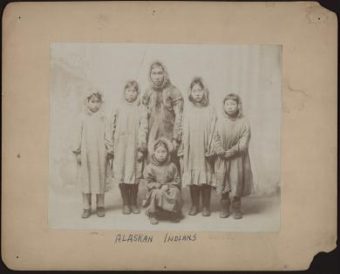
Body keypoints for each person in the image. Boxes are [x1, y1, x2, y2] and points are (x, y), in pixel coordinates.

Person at [178, 77, 217, 217]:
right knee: (193, 177)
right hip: (192, 147)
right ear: (191, 93)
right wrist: (183, 146)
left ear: (204, 92)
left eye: (200, 90)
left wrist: (211, 145)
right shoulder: (187, 110)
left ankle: (206, 206)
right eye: (194, 91)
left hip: (205, 147)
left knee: (205, 177)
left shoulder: (210, 109)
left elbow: (213, 128)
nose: (197, 93)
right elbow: (183, 128)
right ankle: (195, 205)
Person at [108, 80, 148, 215]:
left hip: (134, 147)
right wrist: (111, 146)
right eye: (128, 91)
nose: (131, 94)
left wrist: (141, 147)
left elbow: (144, 128)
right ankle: (125, 202)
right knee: (122, 173)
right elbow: (111, 127)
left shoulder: (141, 109)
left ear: (138, 93)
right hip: (120, 147)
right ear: (124, 92)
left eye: (134, 91)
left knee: (134, 173)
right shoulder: (118, 107)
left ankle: (133, 201)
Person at [213, 93, 254, 219]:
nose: (230, 107)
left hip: (237, 158)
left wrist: (231, 151)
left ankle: (236, 208)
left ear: (238, 106)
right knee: (223, 181)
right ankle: (224, 207)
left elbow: (243, 143)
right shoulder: (220, 121)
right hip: (222, 157)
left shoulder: (244, 122)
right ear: (224, 106)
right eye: (227, 104)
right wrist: (220, 150)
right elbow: (215, 138)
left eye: (232, 104)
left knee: (236, 182)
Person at [72, 90, 111, 218]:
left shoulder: (104, 118)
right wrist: (77, 151)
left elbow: (108, 135)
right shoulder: (82, 117)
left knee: (100, 178)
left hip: (100, 154)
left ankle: (100, 205)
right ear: (87, 102)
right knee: (86, 180)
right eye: (92, 101)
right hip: (86, 154)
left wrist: (109, 150)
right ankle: (86, 207)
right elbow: (77, 135)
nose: (95, 105)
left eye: (97, 102)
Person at [142, 61, 183, 163]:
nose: (157, 77)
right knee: (152, 163)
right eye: (154, 73)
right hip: (152, 134)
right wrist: (143, 138)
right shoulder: (148, 92)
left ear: (164, 74)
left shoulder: (174, 91)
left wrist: (176, 138)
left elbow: (179, 116)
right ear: (150, 75)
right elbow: (143, 117)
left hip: (169, 133)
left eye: (160, 73)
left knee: (170, 163)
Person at [143, 138, 183, 225]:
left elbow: (177, 180)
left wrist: (168, 186)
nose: (161, 155)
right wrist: (159, 186)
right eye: (158, 152)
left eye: (163, 152)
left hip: (169, 187)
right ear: (154, 153)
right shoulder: (150, 167)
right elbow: (148, 182)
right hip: (156, 189)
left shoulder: (172, 166)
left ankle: (173, 213)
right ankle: (153, 214)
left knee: (175, 192)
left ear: (167, 153)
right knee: (157, 193)